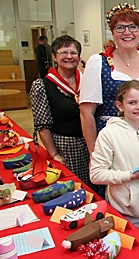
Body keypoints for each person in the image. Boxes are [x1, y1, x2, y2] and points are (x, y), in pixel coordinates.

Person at [80, 3, 139, 156]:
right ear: (112, 32)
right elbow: (86, 113)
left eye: (132, 27)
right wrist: (94, 153)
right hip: (112, 139)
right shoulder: (98, 63)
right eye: (120, 27)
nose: (127, 32)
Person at [90, 80, 139, 241]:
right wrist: (130, 176)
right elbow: (96, 174)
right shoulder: (109, 133)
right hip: (126, 208)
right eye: (132, 102)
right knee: (133, 251)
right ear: (120, 105)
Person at [30, 35, 91, 187]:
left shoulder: (88, 81)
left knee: (96, 186)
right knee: (76, 187)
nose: (69, 57)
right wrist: (54, 154)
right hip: (66, 147)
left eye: (73, 53)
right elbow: (43, 127)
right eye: (64, 52)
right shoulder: (42, 86)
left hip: (92, 144)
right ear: (54, 56)